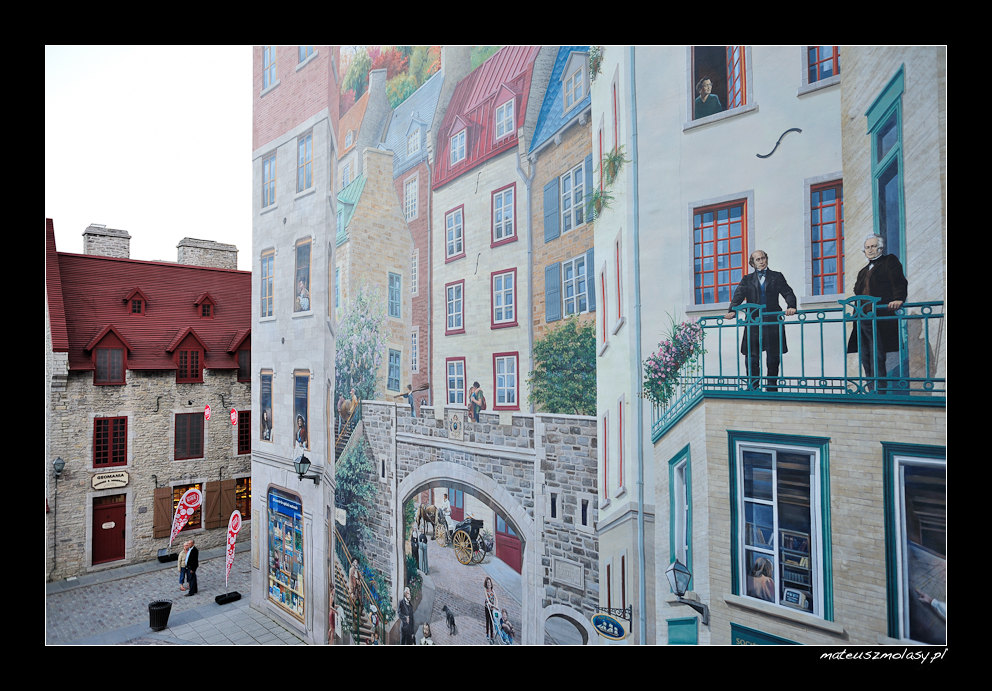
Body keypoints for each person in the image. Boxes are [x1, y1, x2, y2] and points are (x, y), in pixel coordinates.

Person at [725, 250, 798, 392]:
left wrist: (791, 306)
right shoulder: (747, 279)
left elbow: (788, 292)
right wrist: (732, 311)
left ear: (767, 259)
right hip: (753, 322)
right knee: (751, 356)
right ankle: (753, 386)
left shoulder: (777, 276)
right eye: (757, 259)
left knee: (773, 356)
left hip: (772, 321)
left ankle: (772, 387)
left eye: (763, 258)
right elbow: (738, 296)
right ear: (752, 263)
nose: (761, 261)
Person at [847, 233, 908, 394]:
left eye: (873, 246)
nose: (870, 250)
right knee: (865, 356)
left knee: (878, 355)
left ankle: (880, 391)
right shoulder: (862, 271)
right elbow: (857, 291)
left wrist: (898, 298)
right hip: (862, 319)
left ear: (880, 248)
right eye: (867, 247)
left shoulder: (890, 262)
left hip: (879, 317)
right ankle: (871, 389)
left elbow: (899, 281)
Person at [483, 576, 499, 643]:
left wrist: (496, 606)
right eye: (487, 583)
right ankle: (487, 634)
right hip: (487, 608)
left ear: (491, 583)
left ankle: (492, 636)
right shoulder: (485, 590)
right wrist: (489, 603)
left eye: (489, 582)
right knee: (488, 621)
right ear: (486, 584)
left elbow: (496, 599)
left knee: (492, 621)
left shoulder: (493, 591)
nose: (489, 584)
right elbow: (486, 597)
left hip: (492, 608)